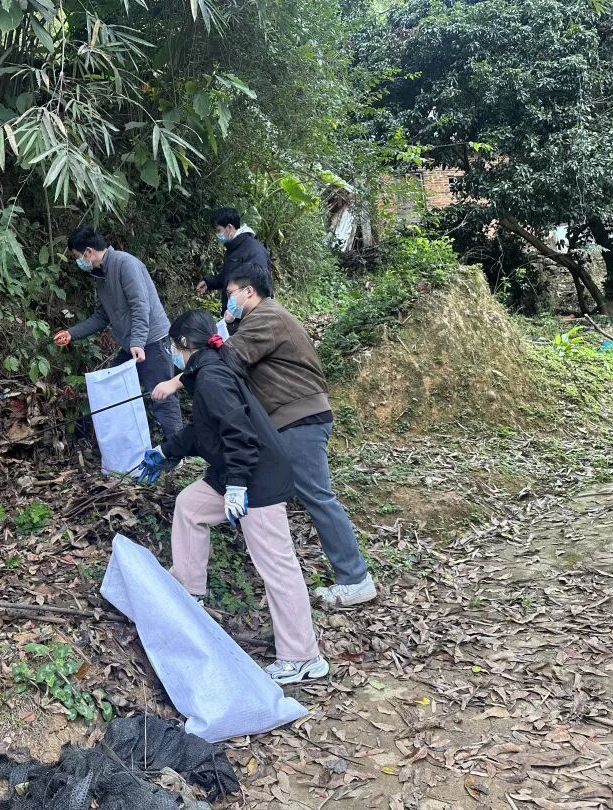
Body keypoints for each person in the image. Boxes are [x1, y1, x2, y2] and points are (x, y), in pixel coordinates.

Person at [154, 262, 376, 609]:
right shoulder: (257, 319)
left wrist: (175, 381)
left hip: (297, 418)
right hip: (287, 418)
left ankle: (355, 578)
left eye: (230, 294)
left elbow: (225, 358)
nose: (228, 301)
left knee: (317, 496)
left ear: (249, 291)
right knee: (228, 494)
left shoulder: (267, 316)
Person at [139, 309, 329, 685]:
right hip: (234, 473)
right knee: (190, 506)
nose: (171, 353)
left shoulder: (212, 377)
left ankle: (303, 657)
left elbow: (238, 432)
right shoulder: (205, 370)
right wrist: (165, 451)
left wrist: (238, 485)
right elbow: (204, 430)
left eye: (171, 346)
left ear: (183, 344)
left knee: (276, 566)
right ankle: (189, 592)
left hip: (258, 478)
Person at [55, 226, 183, 438]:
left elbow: (140, 306)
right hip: (131, 344)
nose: (78, 261)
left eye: (77, 256)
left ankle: (176, 449)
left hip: (152, 341)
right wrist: (71, 333)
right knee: (113, 390)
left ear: (88, 252)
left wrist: (138, 342)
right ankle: (125, 444)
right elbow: (101, 316)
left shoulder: (125, 264)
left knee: (162, 398)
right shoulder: (100, 275)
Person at [196, 207, 272, 332]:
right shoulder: (233, 249)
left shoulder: (254, 250)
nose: (217, 235)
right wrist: (209, 283)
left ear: (229, 227)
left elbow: (262, 286)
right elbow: (229, 277)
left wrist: (239, 314)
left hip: (247, 321)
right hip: (233, 318)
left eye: (218, 230)